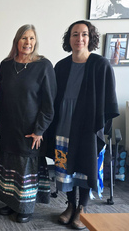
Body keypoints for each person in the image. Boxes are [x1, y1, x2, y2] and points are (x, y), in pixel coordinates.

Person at [45, 20, 119, 230]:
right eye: (75, 34)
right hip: (64, 122)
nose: (79, 38)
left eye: (84, 34)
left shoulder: (100, 64)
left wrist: (102, 128)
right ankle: (69, 204)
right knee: (65, 164)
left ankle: (82, 208)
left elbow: (108, 99)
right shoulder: (61, 66)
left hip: (89, 124)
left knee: (86, 164)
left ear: (91, 38)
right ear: (69, 39)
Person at [0, 24, 56, 223]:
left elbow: (49, 102)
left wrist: (40, 130)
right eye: (23, 38)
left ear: (35, 41)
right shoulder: (5, 65)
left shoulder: (43, 65)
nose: (27, 42)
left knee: (25, 169)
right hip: (9, 128)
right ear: (16, 41)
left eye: (31, 38)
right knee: (8, 167)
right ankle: (10, 203)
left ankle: (25, 207)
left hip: (31, 130)